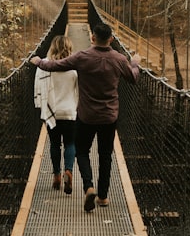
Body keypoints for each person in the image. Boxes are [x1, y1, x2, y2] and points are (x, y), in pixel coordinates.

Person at [30, 23, 140, 212]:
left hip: (86, 116)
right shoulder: (119, 59)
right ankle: (103, 197)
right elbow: (133, 78)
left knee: (82, 152)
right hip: (109, 117)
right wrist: (135, 63)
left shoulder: (82, 57)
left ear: (92, 38)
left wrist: (39, 61)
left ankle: (89, 186)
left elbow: (55, 65)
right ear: (111, 39)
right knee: (105, 156)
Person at [32, 35, 79, 193]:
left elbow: (38, 88)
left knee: (54, 144)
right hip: (69, 112)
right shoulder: (74, 69)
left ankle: (57, 175)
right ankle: (69, 170)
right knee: (70, 144)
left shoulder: (44, 66)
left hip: (52, 111)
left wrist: (40, 106)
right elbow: (78, 92)